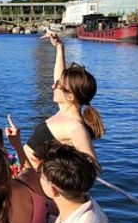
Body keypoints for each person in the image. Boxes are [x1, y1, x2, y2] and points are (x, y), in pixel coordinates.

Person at [14, 32, 104, 168]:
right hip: (22, 170)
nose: (53, 86)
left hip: (34, 183)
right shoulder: (65, 112)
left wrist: (52, 170)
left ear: (70, 95)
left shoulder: (75, 127)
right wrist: (59, 47)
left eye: (57, 85)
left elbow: (92, 167)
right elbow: (59, 76)